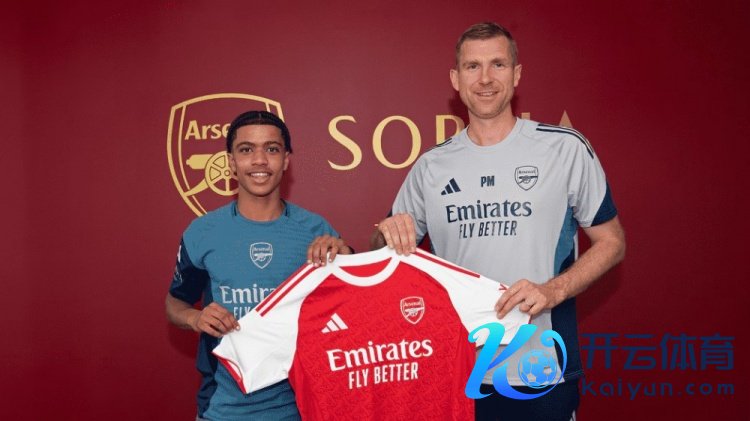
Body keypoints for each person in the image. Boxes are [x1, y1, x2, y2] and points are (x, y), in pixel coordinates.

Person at [370, 22, 625, 421]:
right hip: (458, 373)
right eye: (472, 66)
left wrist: (553, 290)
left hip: (541, 371)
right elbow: (381, 255)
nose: (485, 78)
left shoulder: (564, 149)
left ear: (516, 74)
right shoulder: (431, 166)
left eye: (498, 64)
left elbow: (612, 242)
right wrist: (385, 234)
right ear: (456, 79)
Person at [166, 110, 351, 421]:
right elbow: (174, 304)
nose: (260, 160)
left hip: (301, 411)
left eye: (272, 149)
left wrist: (344, 256)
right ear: (231, 162)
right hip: (222, 411)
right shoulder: (202, 233)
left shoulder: (316, 230)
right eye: (246, 149)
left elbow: (352, 312)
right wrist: (195, 317)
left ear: (286, 160)